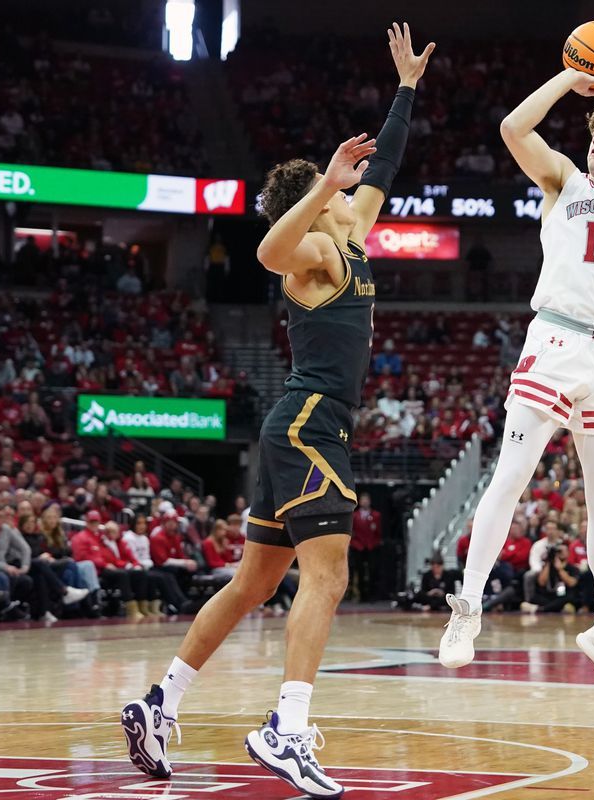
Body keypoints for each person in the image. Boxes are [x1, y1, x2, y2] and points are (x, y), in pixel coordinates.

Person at [121, 23, 434, 798]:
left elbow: (385, 164)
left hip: (298, 426)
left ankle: (162, 703)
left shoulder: (352, 234)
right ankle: (287, 730)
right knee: (327, 577)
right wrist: (325, 185)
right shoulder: (314, 252)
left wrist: (405, 91)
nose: (355, 190)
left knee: (255, 582)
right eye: (335, 190)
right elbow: (265, 251)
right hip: (310, 422)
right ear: (314, 201)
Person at [441, 26, 594, 692]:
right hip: (557, 340)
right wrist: (575, 78)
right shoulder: (563, 179)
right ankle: (468, 607)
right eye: (593, 132)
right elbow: (514, 127)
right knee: (510, 476)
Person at [349, 492, 381, 601]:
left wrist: (375, 543)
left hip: (371, 547)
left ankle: (372, 595)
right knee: (360, 570)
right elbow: (352, 532)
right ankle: (362, 595)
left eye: (366, 500)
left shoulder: (376, 515)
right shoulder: (354, 515)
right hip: (358, 547)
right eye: (363, 500)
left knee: (372, 571)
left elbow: (379, 532)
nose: (365, 502)